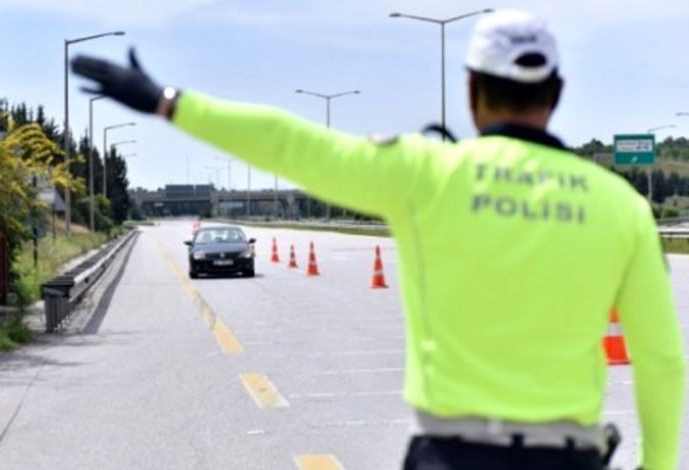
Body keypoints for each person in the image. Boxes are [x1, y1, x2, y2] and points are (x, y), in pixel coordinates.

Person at [72, 9, 685, 470]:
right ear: (556, 94)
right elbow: (660, 360)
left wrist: (167, 102)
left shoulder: (429, 173)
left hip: (452, 455)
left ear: (472, 91)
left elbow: (296, 145)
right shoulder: (622, 208)